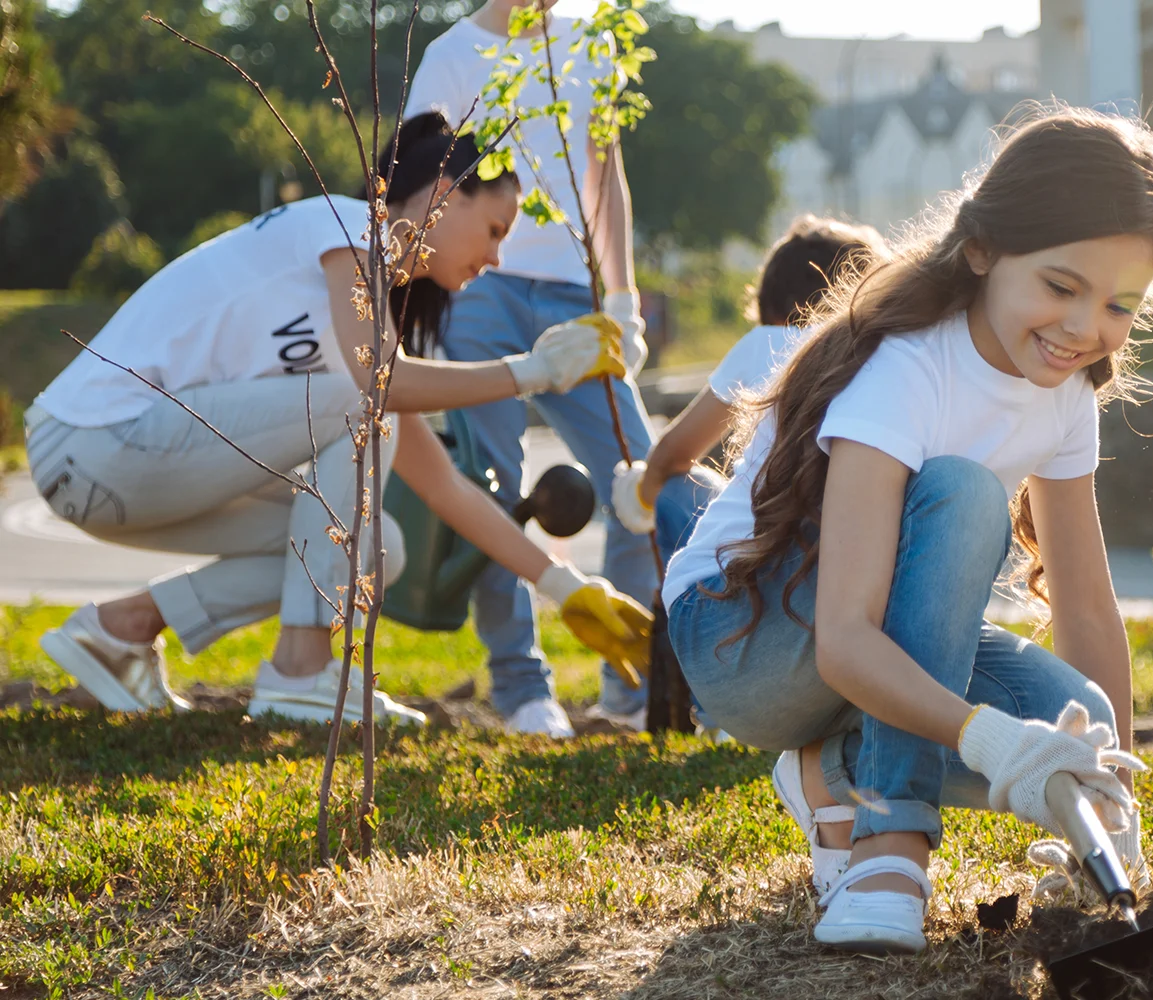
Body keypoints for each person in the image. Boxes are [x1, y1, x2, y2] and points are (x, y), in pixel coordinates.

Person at [662, 107, 1153, 954]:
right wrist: (991, 740)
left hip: (858, 633)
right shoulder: (907, 366)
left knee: (1077, 716)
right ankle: (888, 846)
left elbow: (1089, 615)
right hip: (743, 636)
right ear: (982, 250)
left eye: (1118, 304)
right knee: (963, 493)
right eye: (1061, 287)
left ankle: (828, 771)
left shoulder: (1065, 394)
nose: (1086, 328)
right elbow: (844, 639)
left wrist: (1108, 796)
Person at [28, 114, 652, 727]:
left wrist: (566, 587)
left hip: (131, 468)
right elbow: (381, 388)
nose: (495, 258)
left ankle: (120, 629)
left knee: (378, 546)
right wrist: (534, 371)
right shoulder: (347, 227)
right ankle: (301, 674)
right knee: (366, 404)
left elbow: (444, 488)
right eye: (494, 229)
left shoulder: (360, 320)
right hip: (90, 444)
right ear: (443, 194)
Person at [404, 0, 653, 738]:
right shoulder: (450, 57)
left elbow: (606, 178)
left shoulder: (590, 46)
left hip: (577, 292)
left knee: (639, 478)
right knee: (497, 490)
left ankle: (629, 690)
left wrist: (623, 299)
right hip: (479, 291)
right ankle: (521, 690)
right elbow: (421, 182)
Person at [605, 215, 888, 602]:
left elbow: (675, 452)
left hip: (763, 560)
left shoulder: (769, 342)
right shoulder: (881, 353)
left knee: (670, 484)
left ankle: (669, 622)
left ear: (772, 308)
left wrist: (639, 497)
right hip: (857, 561)